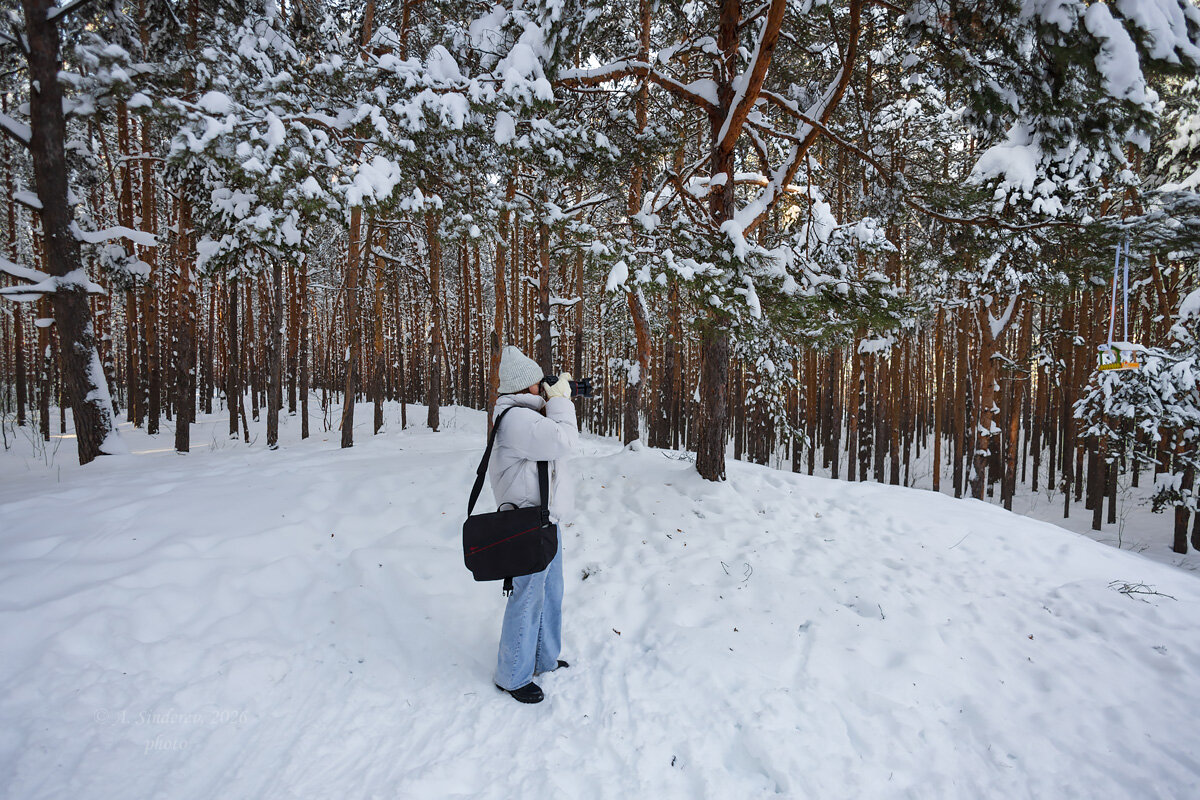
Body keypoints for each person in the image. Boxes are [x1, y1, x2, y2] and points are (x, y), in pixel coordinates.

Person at [489, 345, 578, 704]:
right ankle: (512, 675)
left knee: (549, 594)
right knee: (527, 599)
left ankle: (542, 658)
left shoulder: (527, 417)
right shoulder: (516, 420)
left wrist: (555, 400)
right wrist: (561, 402)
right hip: (525, 524)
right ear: (525, 387)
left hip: (543, 521)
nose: (544, 389)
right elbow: (565, 442)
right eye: (540, 385)